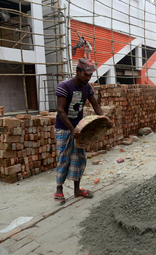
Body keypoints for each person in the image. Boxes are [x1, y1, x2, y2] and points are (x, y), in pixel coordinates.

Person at [54, 58, 104, 202]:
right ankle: (59, 189)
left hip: (80, 127)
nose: (88, 78)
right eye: (85, 75)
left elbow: (95, 105)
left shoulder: (87, 87)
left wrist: (104, 119)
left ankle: (77, 190)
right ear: (77, 71)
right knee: (63, 157)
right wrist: (72, 129)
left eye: (90, 75)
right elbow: (60, 110)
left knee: (79, 158)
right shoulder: (64, 86)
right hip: (63, 128)